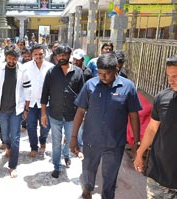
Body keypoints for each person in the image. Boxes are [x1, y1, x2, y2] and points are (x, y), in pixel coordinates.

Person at [69, 53, 142, 199]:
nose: (103, 77)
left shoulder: (128, 87)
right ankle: (87, 189)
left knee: (110, 175)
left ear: (116, 69)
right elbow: (80, 112)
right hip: (91, 140)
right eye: (100, 73)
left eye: (107, 74)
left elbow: (134, 115)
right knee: (88, 169)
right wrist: (73, 137)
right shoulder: (90, 85)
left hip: (115, 143)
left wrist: (136, 142)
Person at [134, 55, 177, 198]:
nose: (171, 80)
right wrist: (140, 153)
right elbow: (152, 128)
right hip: (158, 177)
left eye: (175, 76)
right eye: (168, 75)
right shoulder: (162, 98)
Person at [0, 44, 31, 178]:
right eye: (9, 58)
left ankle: (13, 166)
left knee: (15, 138)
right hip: (2, 109)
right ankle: (8, 146)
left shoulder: (23, 70)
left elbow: (28, 90)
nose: (11, 61)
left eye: (14, 59)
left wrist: (26, 109)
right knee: (5, 136)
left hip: (16, 110)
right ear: (6, 57)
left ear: (18, 58)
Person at [41, 45, 84, 178]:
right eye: (58, 56)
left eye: (63, 55)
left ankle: (66, 155)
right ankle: (57, 166)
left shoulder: (78, 72)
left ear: (69, 55)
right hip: (55, 114)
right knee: (56, 141)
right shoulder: (51, 72)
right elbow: (44, 94)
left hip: (72, 115)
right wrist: (43, 113)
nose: (61, 58)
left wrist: (83, 115)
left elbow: (83, 96)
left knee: (70, 139)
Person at [24, 44, 54, 157]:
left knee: (45, 126)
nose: (38, 56)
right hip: (31, 103)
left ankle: (43, 141)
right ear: (32, 55)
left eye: (40, 54)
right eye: (35, 54)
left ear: (44, 53)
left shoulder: (51, 67)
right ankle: (33, 147)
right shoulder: (25, 67)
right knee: (31, 126)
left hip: (46, 103)